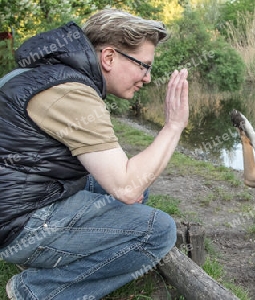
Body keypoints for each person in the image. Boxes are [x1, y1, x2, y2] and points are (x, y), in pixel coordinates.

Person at [0, 8, 189, 299]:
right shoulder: (71, 93)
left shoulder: (52, 74)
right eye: (144, 66)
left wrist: (129, 185)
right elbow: (126, 187)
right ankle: (36, 290)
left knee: (137, 194)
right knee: (158, 230)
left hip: (19, 196)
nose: (148, 78)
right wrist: (173, 126)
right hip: (18, 223)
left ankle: (55, 256)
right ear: (109, 57)